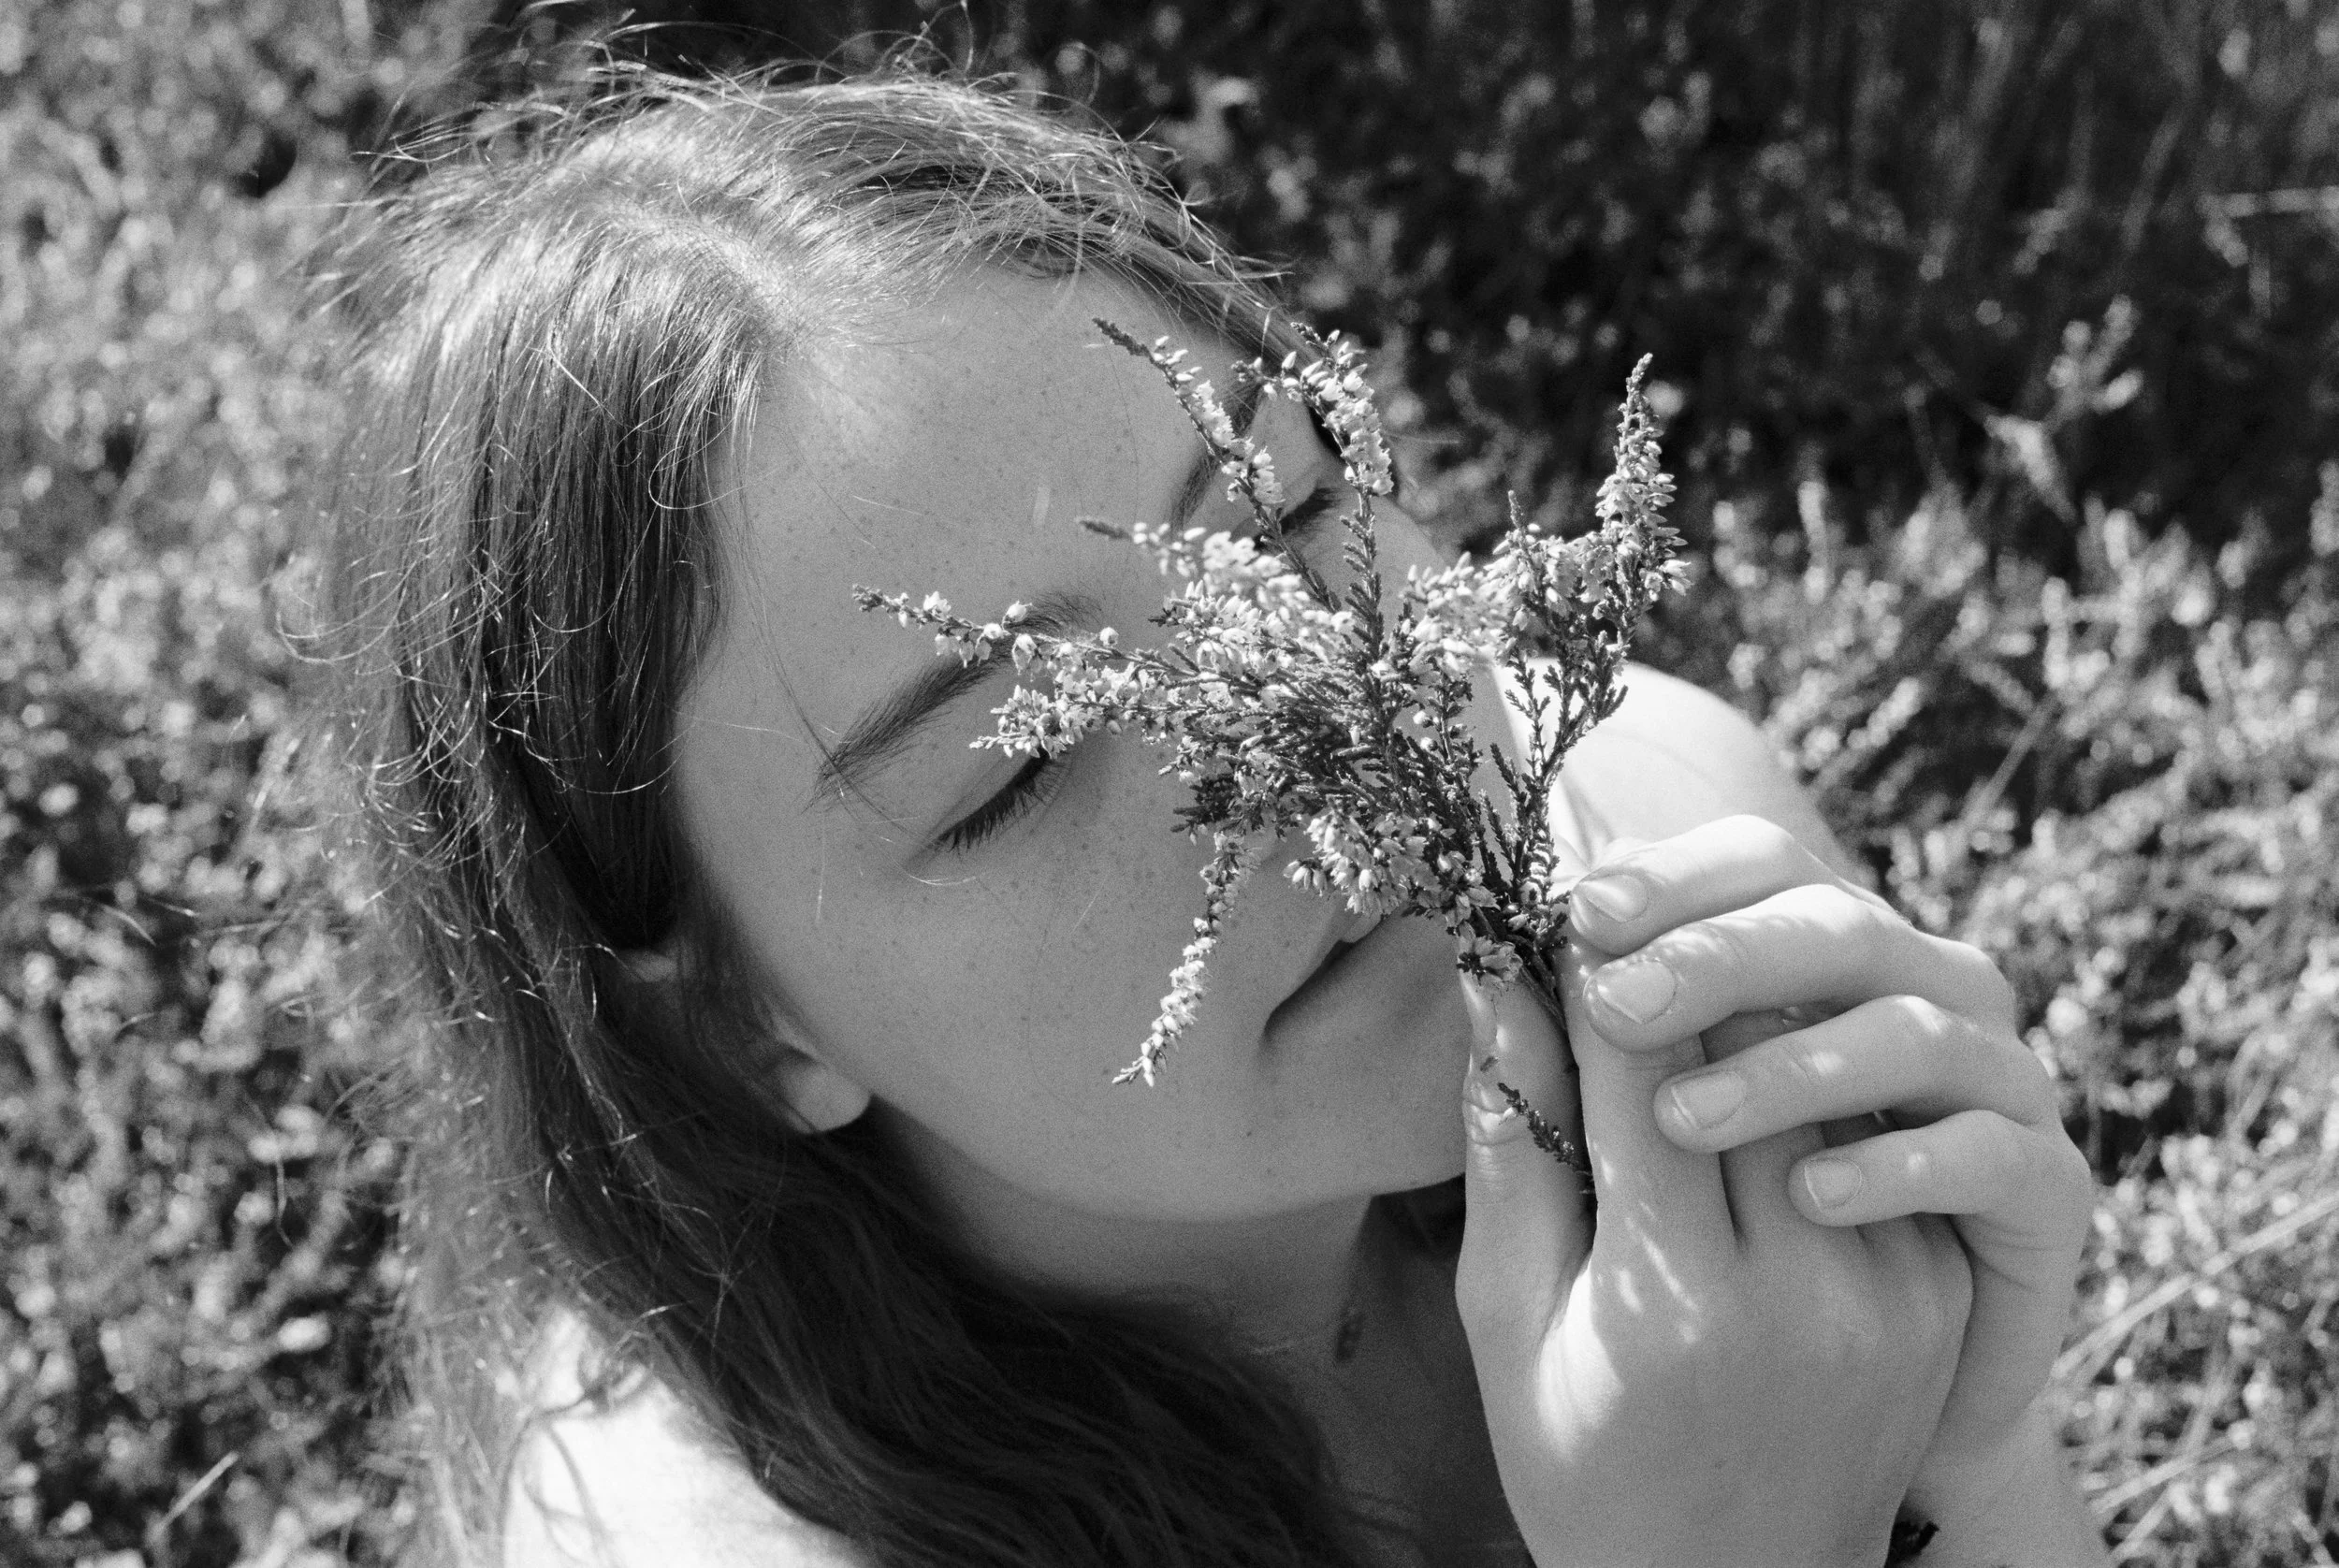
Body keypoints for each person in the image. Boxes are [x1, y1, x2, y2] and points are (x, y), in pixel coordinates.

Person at [313, 64, 2108, 1568]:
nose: (1320, 739)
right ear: (733, 1023)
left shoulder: (1676, 842)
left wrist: (1968, 1443)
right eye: (1018, 764)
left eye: (1281, 511)